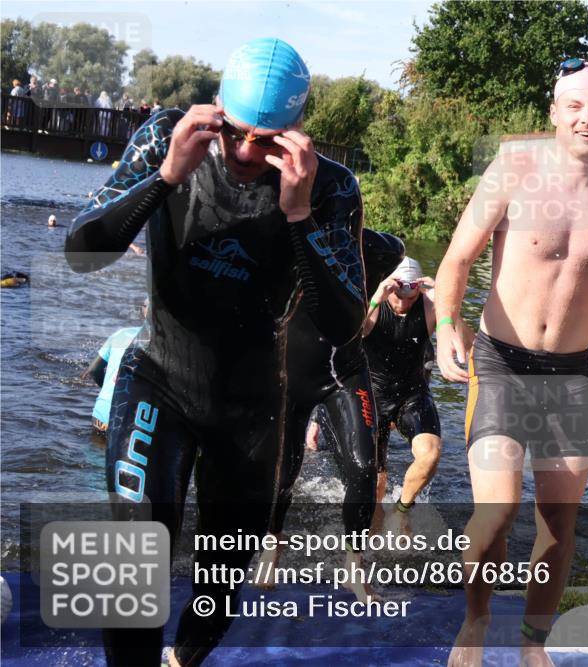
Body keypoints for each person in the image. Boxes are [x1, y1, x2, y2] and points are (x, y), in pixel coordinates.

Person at [64, 37, 366, 667]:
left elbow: (342, 324)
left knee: (221, 585)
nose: (247, 153)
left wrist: (300, 216)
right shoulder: (165, 138)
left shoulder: (330, 187)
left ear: (297, 132)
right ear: (215, 109)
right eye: (234, 132)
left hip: (252, 406)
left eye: (268, 140)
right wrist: (166, 176)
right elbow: (81, 252)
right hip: (160, 379)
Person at [435, 59, 588, 667]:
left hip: (569, 375)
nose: (586, 118)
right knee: (496, 513)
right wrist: (444, 327)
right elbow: (456, 261)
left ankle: (532, 643)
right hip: (499, 363)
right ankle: (476, 619)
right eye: (574, 106)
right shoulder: (514, 170)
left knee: (558, 523)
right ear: (554, 112)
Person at [261, 229, 405, 602]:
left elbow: (393, 249)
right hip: (289, 372)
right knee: (282, 475)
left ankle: (353, 569)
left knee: (364, 468)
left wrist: (344, 231)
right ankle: (270, 550)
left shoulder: (373, 250)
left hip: (344, 371)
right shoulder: (285, 242)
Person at [364, 257, 471, 512]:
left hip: (412, 393)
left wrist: (446, 305)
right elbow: (349, 337)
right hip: (373, 395)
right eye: (397, 296)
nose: (402, 304)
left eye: (410, 299)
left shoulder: (429, 307)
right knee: (376, 482)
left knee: (430, 455)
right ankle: (374, 521)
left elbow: (468, 344)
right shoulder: (375, 303)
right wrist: (377, 298)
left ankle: (402, 510)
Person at [84, 301, 146, 432]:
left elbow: (93, 370)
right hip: (130, 420)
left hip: (101, 414)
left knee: (94, 450)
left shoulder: (120, 333)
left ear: (143, 311)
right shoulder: (162, 345)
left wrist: (111, 389)